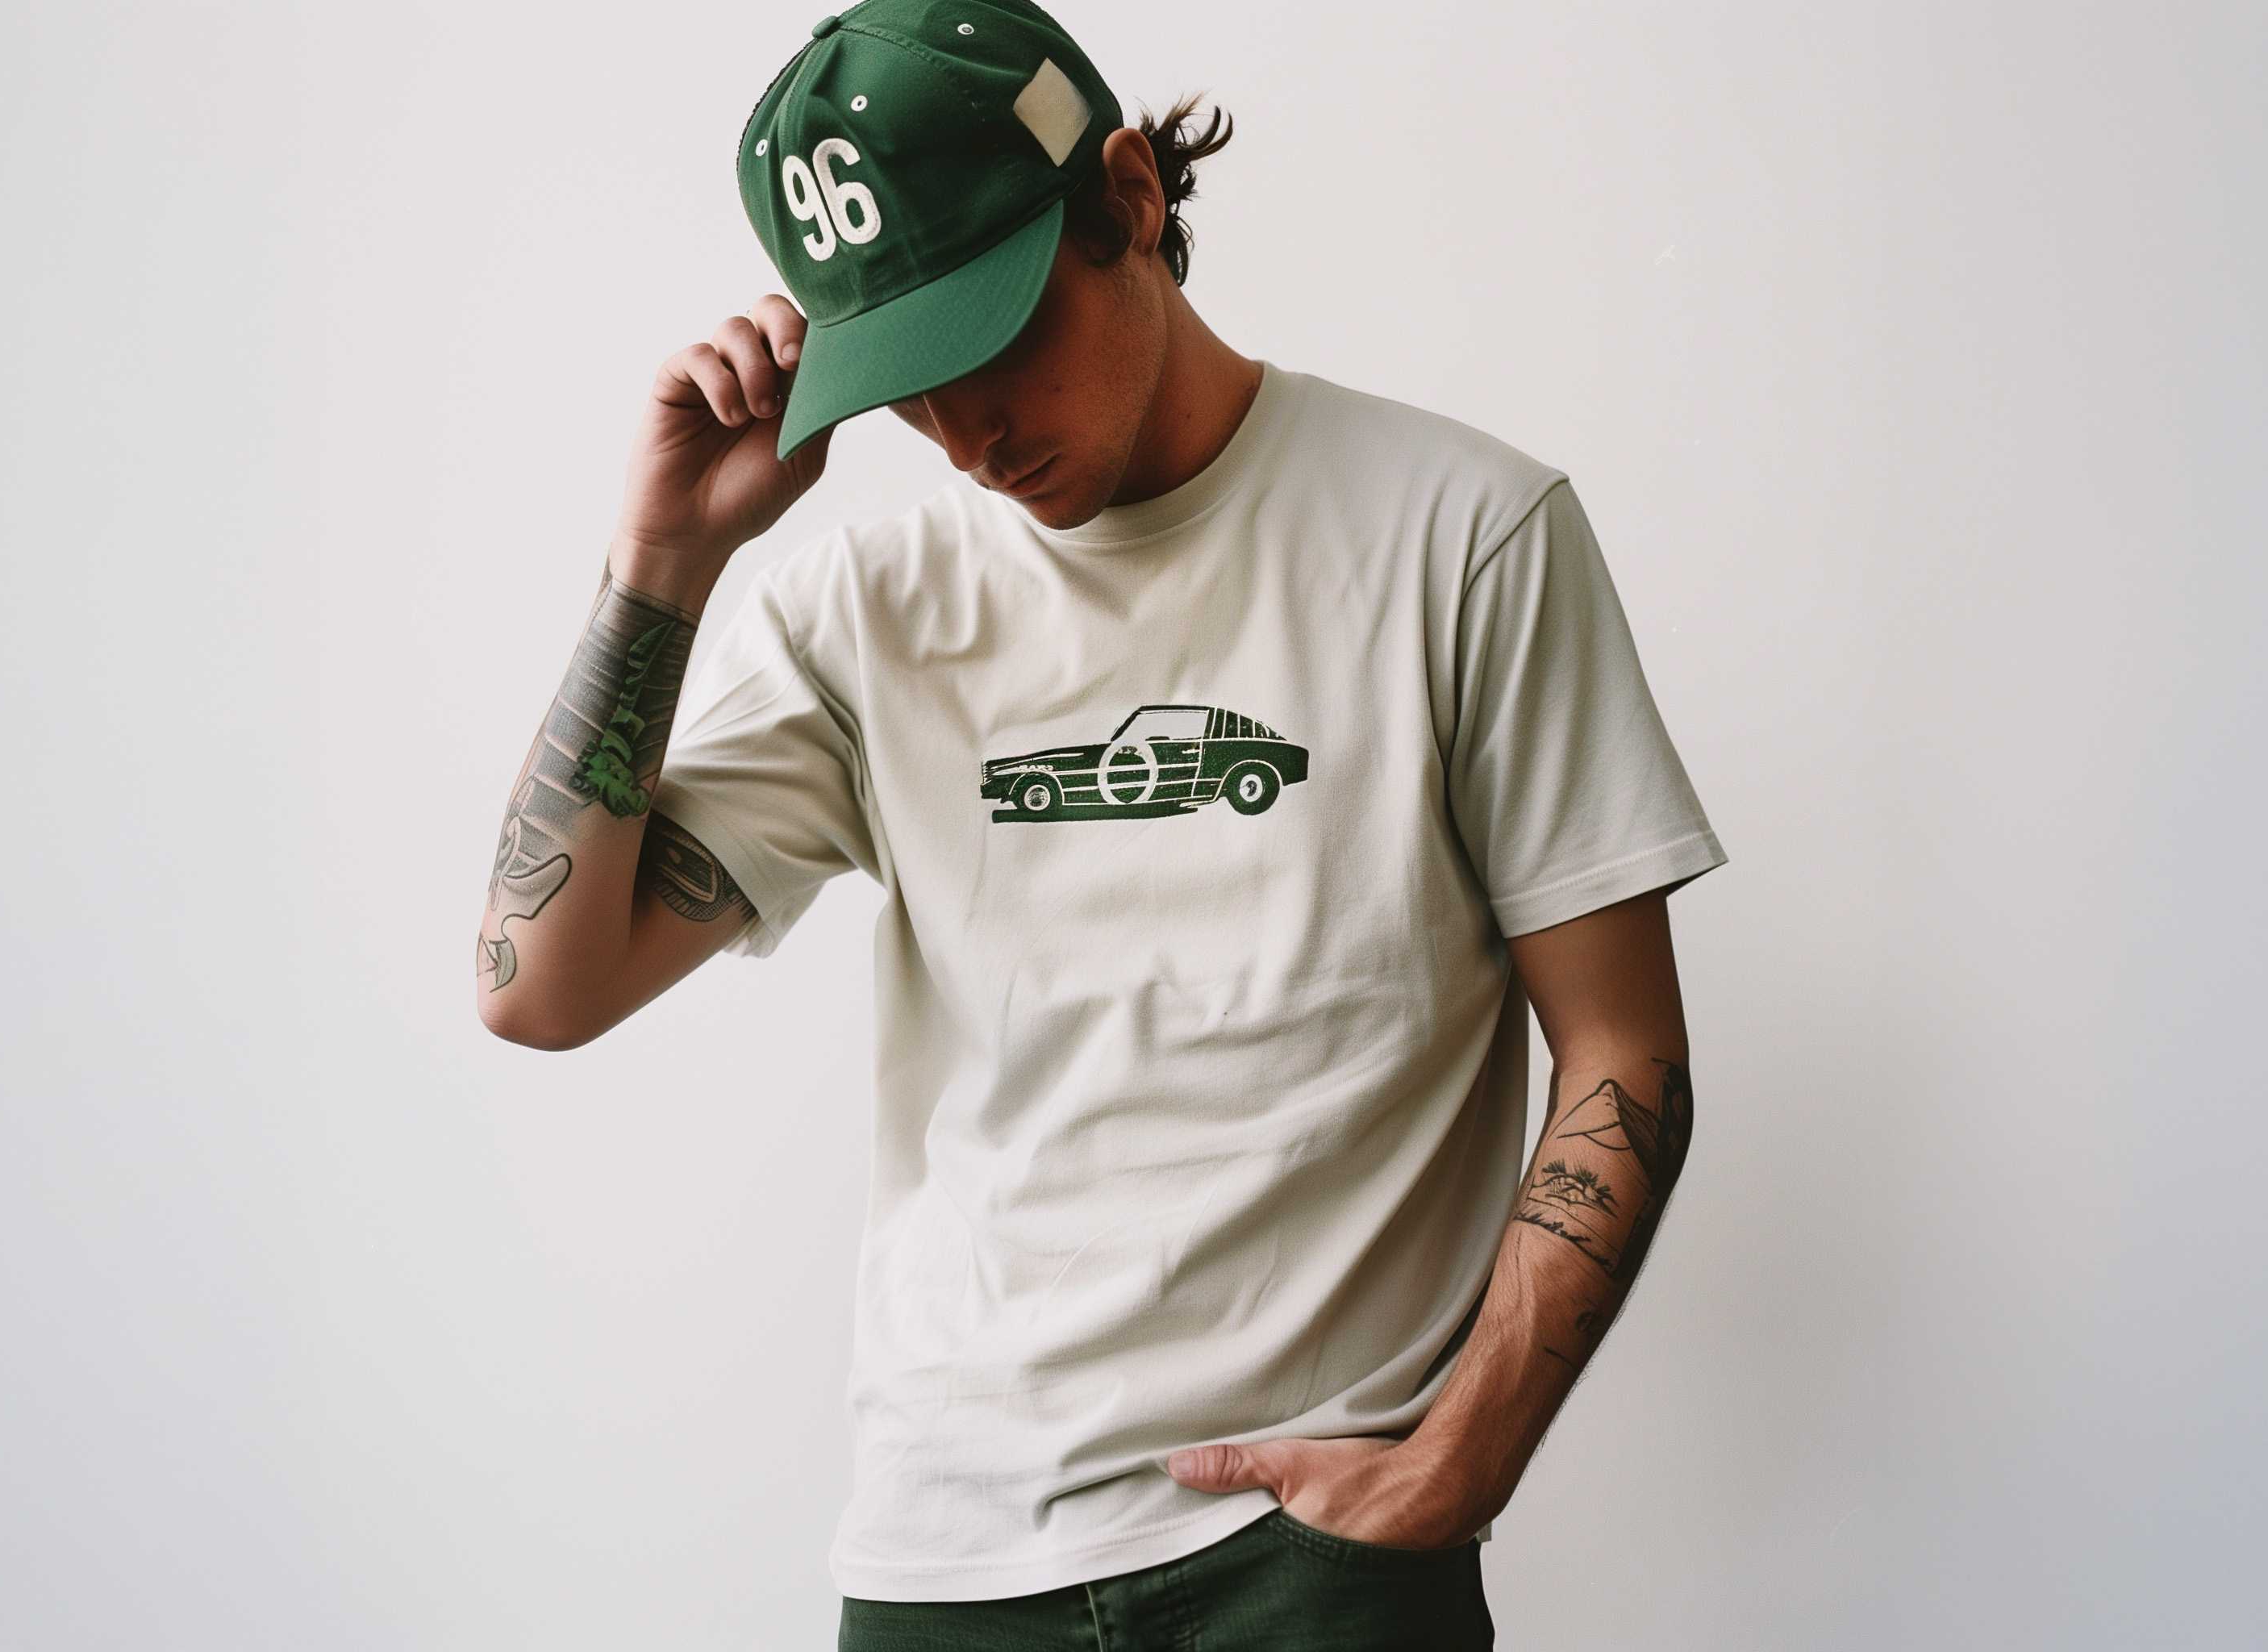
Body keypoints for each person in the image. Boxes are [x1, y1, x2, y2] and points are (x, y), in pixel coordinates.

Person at [474, 2, 1728, 1645]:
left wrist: (1453, 1468)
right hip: (945, 1565)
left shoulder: (1461, 534)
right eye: (904, 385)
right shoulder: (866, 613)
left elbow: (1624, 1049)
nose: (964, 438)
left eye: (991, 340)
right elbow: (539, 987)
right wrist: (662, 562)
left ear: (1127, 195)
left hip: (1313, 1566)